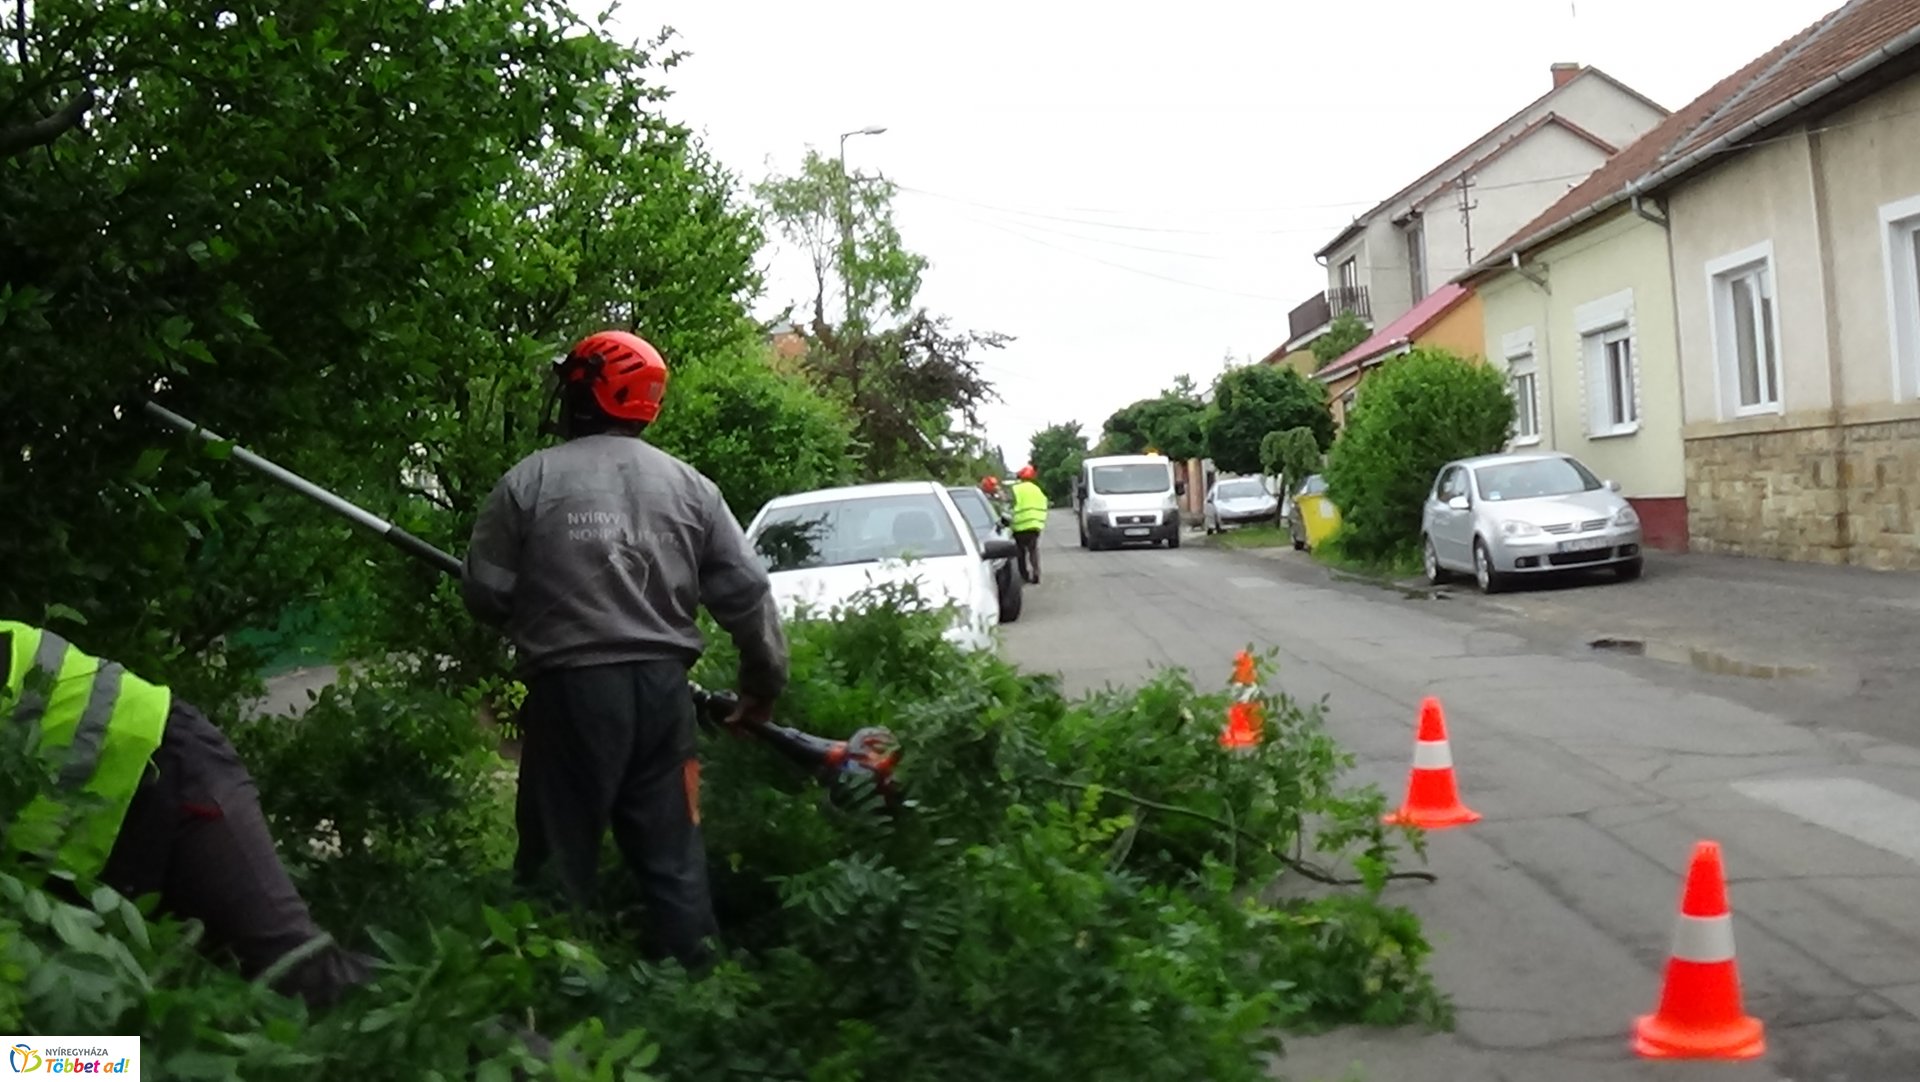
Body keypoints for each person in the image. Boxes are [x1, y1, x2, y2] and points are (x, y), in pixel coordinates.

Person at [460, 329, 789, 972]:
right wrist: (762, 685)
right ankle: (698, 996)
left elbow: (485, 594)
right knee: (673, 859)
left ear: (589, 391)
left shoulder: (530, 482)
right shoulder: (691, 487)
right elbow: (745, 591)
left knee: (555, 862)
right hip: (666, 699)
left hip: (571, 697)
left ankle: (546, 1003)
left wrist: (534, 610)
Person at [0, 619, 374, 1010]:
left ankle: (427, 1024)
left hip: (164, 772)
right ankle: (134, 1066)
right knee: (59, 1052)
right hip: (83, 864)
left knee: (294, 975)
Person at [1009, 465, 1050, 586]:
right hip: (1034, 525)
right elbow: (1045, 502)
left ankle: (1024, 575)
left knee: (1020, 552)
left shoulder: (1015, 489)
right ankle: (1036, 572)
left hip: (1019, 526)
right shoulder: (1037, 490)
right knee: (1033, 550)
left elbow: (1009, 504)